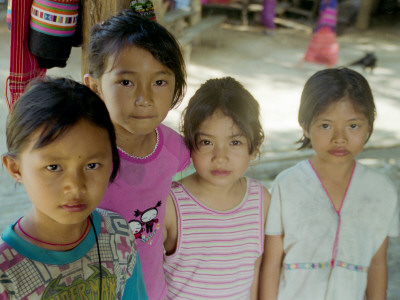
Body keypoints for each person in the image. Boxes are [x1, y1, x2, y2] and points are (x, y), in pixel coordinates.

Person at [0, 77, 147, 299]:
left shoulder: (118, 234)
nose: (76, 186)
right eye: (53, 167)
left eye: (92, 165)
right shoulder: (6, 272)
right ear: (15, 168)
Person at [259, 68, 399, 299]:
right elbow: (272, 264)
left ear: (369, 126)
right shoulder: (288, 184)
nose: (339, 137)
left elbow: (376, 264)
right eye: (326, 125)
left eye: (353, 125)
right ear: (305, 125)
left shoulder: (382, 192)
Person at [84, 10, 190, 299]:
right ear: (95, 87)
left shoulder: (174, 148)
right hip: (94, 288)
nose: (145, 98)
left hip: (150, 290)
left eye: (159, 82)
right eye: (127, 82)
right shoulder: (84, 156)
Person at [163, 77, 271, 299]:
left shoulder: (260, 200)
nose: (220, 157)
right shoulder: (171, 203)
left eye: (235, 142)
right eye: (207, 142)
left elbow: (256, 270)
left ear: (254, 147)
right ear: (189, 144)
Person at [301, 0, 339, 67]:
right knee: (320, 46)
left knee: (327, 47)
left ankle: (329, 66)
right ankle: (302, 62)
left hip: (327, 27)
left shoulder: (332, 2)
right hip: (325, 26)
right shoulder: (326, 2)